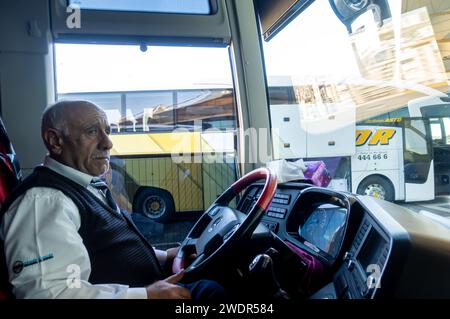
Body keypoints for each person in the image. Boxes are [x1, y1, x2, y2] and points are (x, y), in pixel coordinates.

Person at [0, 100, 225, 299]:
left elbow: (107, 247)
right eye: (92, 132)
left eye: (107, 131)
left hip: (146, 283)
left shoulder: (83, 184)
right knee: (213, 290)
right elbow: (47, 293)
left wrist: (165, 257)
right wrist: (146, 295)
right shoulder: (44, 202)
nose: (108, 143)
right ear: (55, 141)